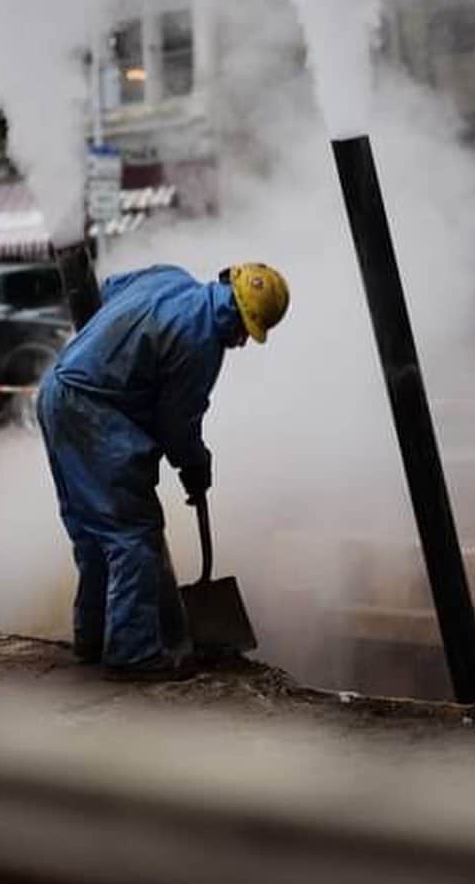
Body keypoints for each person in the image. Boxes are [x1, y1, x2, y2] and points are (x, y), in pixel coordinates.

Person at [37, 262, 289, 681]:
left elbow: (106, 291)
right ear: (238, 317)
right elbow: (178, 423)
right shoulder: (202, 342)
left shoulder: (169, 277)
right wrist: (195, 466)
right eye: (245, 328)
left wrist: (105, 350)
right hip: (94, 412)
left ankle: (92, 638)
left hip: (55, 393)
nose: (242, 341)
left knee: (93, 532)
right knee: (133, 537)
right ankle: (132, 654)